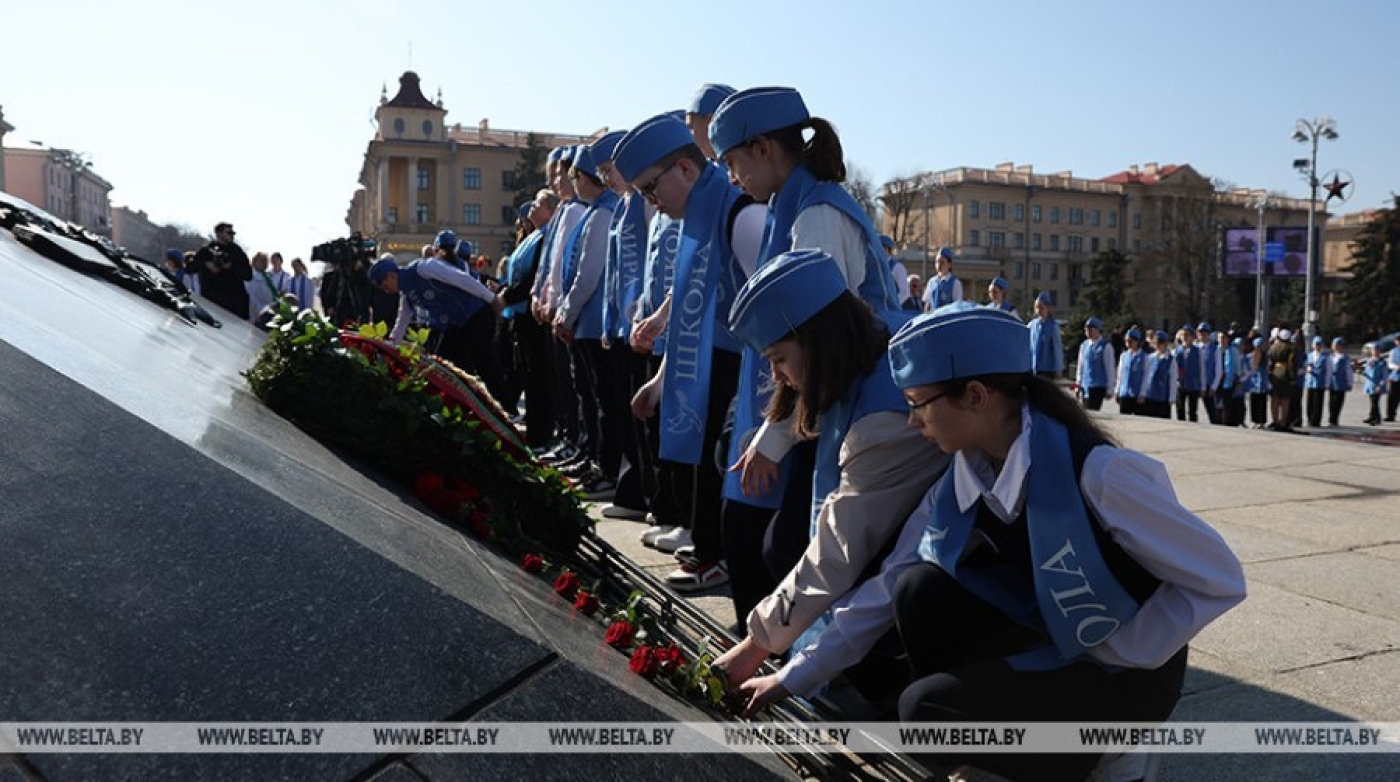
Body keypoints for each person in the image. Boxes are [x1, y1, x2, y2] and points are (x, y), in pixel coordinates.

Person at [729, 305, 1245, 781]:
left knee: (925, 712)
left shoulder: (1103, 474)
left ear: (975, 396)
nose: (912, 421)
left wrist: (1127, 647)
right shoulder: (964, 474)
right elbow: (888, 586)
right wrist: (793, 677)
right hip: (1054, 640)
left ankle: (1109, 746)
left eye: (918, 405)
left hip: (1129, 671)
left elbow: (1220, 579)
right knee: (918, 589)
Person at [711, 250, 947, 696]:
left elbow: (840, 550)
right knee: (784, 544)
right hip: (898, 532)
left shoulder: (890, 417)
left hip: (945, 565)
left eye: (780, 359)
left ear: (818, 341)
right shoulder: (863, 345)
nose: (778, 376)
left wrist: (754, 647)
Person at [709, 85, 905, 615]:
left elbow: (820, 342)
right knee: (771, 542)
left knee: (790, 547)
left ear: (764, 149)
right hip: (828, 399)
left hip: (857, 404)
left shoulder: (816, 215)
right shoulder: (791, 206)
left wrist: (774, 438)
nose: (731, 177)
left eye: (732, 161)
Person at [616, 112, 766, 591]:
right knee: (705, 459)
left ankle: (722, 556)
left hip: (752, 366)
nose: (652, 204)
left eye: (651, 188)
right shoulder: (701, 215)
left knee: (728, 466)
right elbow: (690, 304)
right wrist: (661, 381)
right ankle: (710, 550)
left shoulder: (738, 213)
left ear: (685, 170)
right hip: (712, 359)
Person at [367, 243, 506, 393]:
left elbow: (462, 279)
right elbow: (401, 324)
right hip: (456, 325)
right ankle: (467, 407)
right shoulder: (406, 295)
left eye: (383, 285)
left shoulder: (424, 268)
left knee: (484, 363)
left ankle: (508, 409)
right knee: (442, 367)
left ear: (391, 276)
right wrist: (389, 348)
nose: (385, 290)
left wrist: (492, 298)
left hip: (476, 314)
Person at [193, 222, 252, 318]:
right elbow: (191, 268)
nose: (231, 235)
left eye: (232, 233)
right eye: (228, 233)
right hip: (212, 298)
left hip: (234, 302)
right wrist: (206, 265)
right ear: (218, 233)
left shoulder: (237, 252)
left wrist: (231, 267)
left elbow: (248, 275)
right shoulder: (207, 250)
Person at [1075, 317, 1116, 410]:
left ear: (1098, 330)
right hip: (1085, 385)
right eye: (1086, 329)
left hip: (1098, 386)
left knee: (1092, 411)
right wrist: (1077, 384)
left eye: (1091, 329)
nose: (1088, 331)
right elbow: (1080, 367)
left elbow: (1109, 369)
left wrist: (1110, 388)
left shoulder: (1105, 346)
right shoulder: (1084, 345)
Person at [1136, 330, 1177, 419]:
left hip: (1163, 396)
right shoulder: (1150, 358)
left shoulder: (1171, 360)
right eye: (1156, 342)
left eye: (1161, 342)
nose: (1158, 345)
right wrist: (1142, 393)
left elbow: (1173, 379)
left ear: (1165, 343)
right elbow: (1145, 377)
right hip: (1150, 394)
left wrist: (1172, 397)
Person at [1267, 328, 1299, 431]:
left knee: (1275, 399)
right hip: (1285, 375)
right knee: (1285, 400)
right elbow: (1292, 364)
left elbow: (1270, 361)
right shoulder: (1291, 348)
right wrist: (1293, 378)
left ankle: (1275, 421)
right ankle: (1283, 422)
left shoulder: (1273, 347)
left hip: (1275, 374)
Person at [1026, 292, 1063, 379]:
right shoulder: (1032, 325)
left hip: (1047, 368)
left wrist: (1058, 368)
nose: (1039, 310)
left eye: (1041, 308)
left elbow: (1057, 349)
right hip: (1034, 367)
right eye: (1037, 308)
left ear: (1048, 308)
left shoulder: (1053, 326)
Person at [1173, 325, 1205, 422]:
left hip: (1193, 384)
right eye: (1183, 335)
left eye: (1187, 335)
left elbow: (1202, 369)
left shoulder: (1198, 350)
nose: (1185, 337)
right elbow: (1173, 368)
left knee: (1192, 410)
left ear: (1192, 337)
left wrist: (1202, 386)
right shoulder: (1176, 350)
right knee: (1180, 409)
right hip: (1181, 384)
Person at [1114, 328, 1145, 416]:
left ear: (1137, 342)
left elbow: (1145, 377)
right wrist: (1117, 390)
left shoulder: (1144, 357)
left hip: (1137, 394)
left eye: (1131, 341)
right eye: (1127, 340)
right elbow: (1120, 375)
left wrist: (1143, 393)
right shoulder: (1123, 356)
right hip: (1125, 393)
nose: (1128, 343)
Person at [1242, 336, 1271, 428]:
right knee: (1254, 402)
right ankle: (1255, 420)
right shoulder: (1249, 356)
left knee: (1262, 402)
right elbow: (1246, 369)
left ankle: (1262, 421)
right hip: (1253, 383)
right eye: (1261, 345)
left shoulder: (1266, 358)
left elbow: (1267, 370)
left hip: (1263, 382)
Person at [1303, 335, 1331, 428]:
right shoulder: (1310, 355)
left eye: (1319, 344)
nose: (1318, 346)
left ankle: (1316, 421)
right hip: (1310, 382)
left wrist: (1327, 383)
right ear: (1313, 345)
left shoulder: (1325, 357)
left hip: (1320, 382)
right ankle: (1309, 419)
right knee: (1309, 402)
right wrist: (1307, 369)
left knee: (1318, 402)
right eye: (1316, 344)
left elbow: (1328, 370)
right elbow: (1305, 366)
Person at [1198, 323, 1222, 424]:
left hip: (1209, 383)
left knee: (1211, 409)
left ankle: (1215, 425)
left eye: (1205, 333)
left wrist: (1214, 386)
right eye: (1200, 333)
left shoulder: (1215, 348)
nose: (1203, 336)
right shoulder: (1196, 347)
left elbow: (1218, 369)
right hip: (1196, 383)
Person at [245, 251, 279, 320]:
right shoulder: (251, 276)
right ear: (254, 261)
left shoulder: (269, 278)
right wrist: (263, 309)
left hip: (268, 315)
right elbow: (250, 298)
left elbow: (274, 296)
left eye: (265, 261)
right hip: (255, 315)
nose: (263, 263)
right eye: (261, 260)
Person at [1326, 337, 1351, 427]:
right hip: (1332, 382)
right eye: (1334, 345)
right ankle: (1331, 417)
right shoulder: (1330, 357)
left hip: (1341, 382)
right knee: (1331, 401)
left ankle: (1335, 418)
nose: (1335, 347)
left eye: (1337, 345)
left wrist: (1349, 382)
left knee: (1338, 401)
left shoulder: (1345, 358)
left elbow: (1348, 371)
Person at [1363, 342, 1388, 426]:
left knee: (1375, 402)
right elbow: (1367, 371)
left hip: (1377, 385)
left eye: (1377, 350)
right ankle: (1371, 416)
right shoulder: (1370, 360)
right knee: (1372, 401)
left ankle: (1377, 418)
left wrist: (1380, 385)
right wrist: (1361, 372)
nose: (1375, 352)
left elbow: (1384, 376)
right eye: (1373, 350)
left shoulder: (1382, 362)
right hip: (1370, 384)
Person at [1386, 335, 1400, 422]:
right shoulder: (1393, 351)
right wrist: (1395, 367)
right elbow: (1389, 363)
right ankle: (1391, 415)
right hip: (1395, 376)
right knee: (1392, 397)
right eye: (1398, 341)